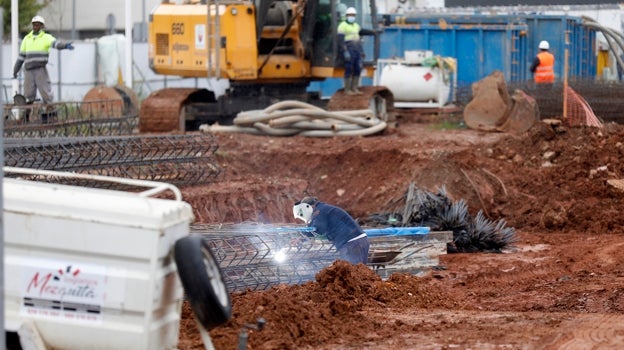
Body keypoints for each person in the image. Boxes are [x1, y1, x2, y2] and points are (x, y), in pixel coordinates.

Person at [13, 15, 75, 106]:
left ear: (42, 26)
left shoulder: (46, 37)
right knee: (28, 94)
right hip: (28, 70)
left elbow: (56, 44)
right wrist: (15, 70)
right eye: (34, 24)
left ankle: (50, 111)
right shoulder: (27, 38)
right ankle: (27, 115)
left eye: (38, 25)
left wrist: (65, 46)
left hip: (40, 70)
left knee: (45, 91)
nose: (35, 27)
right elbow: (21, 57)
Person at [293, 196, 369, 265]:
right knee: (359, 273)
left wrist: (302, 238)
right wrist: (302, 236)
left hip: (351, 244)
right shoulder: (323, 209)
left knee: (352, 274)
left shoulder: (320, 211)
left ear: (307, 207)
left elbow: (317, 228)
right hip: (359, 240)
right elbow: (314, 224)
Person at [338, 7, 364, 95]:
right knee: (349, 68)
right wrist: (345, 51)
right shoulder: (342, 26)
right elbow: (340, 40)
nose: (352, 17)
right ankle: (347, 89)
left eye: (353, 15)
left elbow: (359, 38)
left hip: (357, 49)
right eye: (350, 15)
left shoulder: (356, 26)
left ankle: (355, 88)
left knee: (358, 68)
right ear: (346, 15)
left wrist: (362, 51)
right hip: (349, 49)